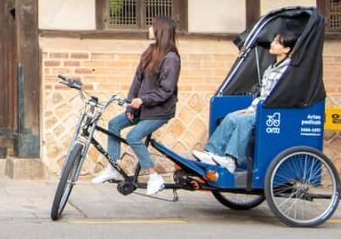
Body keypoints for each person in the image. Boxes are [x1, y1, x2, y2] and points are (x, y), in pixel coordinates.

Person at [92, 16, 181, 195]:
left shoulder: (171, 58)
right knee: (114, 124)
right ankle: (113, 168)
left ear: (161, 31)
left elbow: (166, 90)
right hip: (143, 108)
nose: (149, 29)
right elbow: (137, 80)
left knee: (133, 136)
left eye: (152, 26)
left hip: (160, 111)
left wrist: (143, 100)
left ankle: (154, 177)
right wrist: (130, 105)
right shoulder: (149, 51)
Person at [192, 30, 297, 173]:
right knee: (231, 117)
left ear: (287, 49)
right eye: (273, 41)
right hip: (260, 108)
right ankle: (212, 153)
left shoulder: (288, 70)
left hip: (271, 111)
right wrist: (249, 109)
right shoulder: (271, 68)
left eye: (277, 43)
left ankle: (231, 160)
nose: (272, 44)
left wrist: (254, 110)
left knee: (243, 121)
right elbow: (262, 95)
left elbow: (276, 96)